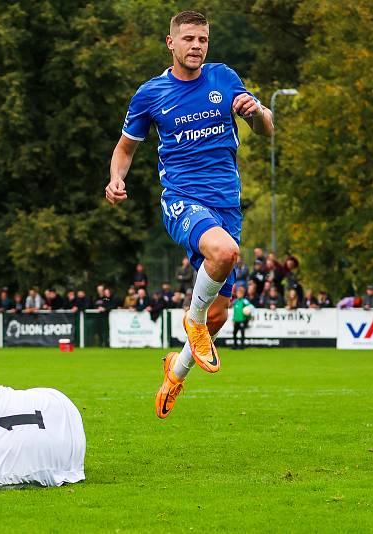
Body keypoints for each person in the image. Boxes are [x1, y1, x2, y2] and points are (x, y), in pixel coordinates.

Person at [106, 10, 274, 419]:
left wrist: (256, 112)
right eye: (189, 39)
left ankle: (175, 372)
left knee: (218, 315)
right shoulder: (150, 94)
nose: (196, 46)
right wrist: (115, 179)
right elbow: (126, 147)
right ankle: (192, 321)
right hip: (182, 199)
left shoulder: (224, 78)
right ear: (171, 43)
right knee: (225, 252)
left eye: (202, 39)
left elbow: (267, 129)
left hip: (226, 205)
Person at [231, 285, 252, 349]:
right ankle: (235, 345)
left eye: (240, 294)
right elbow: (234, 311)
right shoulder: (235, 301)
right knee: (234, 333)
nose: (239, 295)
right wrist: (233, 319)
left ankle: (242, 345)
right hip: (236, 320)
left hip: (242, 320)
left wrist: (249, 315)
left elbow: (250, 307)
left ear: (242, 294)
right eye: (238, 293)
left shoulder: (244, 301)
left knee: (242, 333)